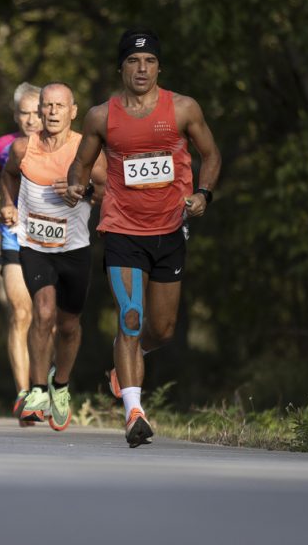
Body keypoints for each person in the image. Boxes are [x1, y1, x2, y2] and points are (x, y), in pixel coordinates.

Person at [66, 29, 222, 447]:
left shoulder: (183, 108)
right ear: (121, 67)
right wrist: (75, 188)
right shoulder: (101, 116)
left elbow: (212, 154)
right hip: (121, 229)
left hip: (170, 229)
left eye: (149, 61)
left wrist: (203, 194)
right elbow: (80, 166)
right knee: (130, 316)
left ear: (159, 67)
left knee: (163, 328)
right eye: (133, 62)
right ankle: (134, 411)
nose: (141, 68)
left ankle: (124, 366)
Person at [1, 83, 107, 431]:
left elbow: (107, 190)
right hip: (34, 246)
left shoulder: (86, 150)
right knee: (43, 313)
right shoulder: (21, 148)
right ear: (40, 110)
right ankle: (35, 391)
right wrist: (8, 204)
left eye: (60, 106)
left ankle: (59, 386)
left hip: (74, 249)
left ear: (73, 111)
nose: (52, 112)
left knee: (69, 326)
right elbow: (8, 175)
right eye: (47, 105)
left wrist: (84, 191)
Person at [0, 82, 43, 412]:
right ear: (15, 114)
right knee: (22, 312)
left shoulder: (61, 145)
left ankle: (49, 388)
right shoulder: (3, 145)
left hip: (52, 237)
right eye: (25, 113)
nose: (32, 119)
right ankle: (24, 395)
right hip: (14, 234)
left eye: (37, 112)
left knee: (50, 317)